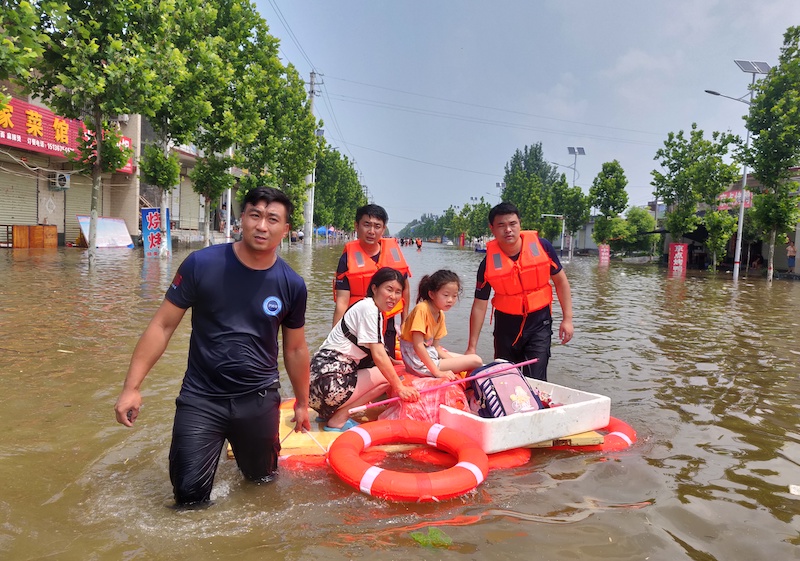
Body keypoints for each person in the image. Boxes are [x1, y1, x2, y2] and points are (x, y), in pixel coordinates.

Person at [114, 187, 311, 507]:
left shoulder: (292, 284)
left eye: (272, 219)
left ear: (285, 230)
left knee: (262, 485)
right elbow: (162, 325)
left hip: (258, 400)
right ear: (242, 219)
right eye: (255, 215)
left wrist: (302, 402)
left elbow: (296, 350)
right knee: (188, 496)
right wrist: (131, 387)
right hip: (201, 399)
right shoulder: (201, 264)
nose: (262, 226)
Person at [466, 202, 573, 381]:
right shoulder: (487, 264)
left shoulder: (543, 247)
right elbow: (479, 305)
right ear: (492, 228)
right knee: (506, 379)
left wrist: (567, 319)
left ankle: (537, 407)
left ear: (519, 224)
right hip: (506, 326)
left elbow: (561, 282)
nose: (508, 230)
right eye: (501, 225)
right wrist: (471, 347)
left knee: (536, 379)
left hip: (539, 322)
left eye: (512, 224)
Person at [311, 267, 420, 430]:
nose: (393, 296)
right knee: (387, 378)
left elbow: (379, 353)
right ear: (374, 288)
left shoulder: (363, 306)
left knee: (387, 369)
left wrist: (399, 362)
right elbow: (378, 355)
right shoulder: (370, 310)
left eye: (398, 292)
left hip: (314, 388)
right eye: (389, 289)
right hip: (329, 385)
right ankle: (339, 418)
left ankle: (326, 414)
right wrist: (400, 387)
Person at [333, 204, 411, 357]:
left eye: (377, 226)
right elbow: (342, 301)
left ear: (383, 229)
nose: (371, 231)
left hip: (386, 321)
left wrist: (404, 321)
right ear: (357, 226)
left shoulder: (393, 254)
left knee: (386, 365)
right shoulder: (347, 258)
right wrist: (336, 334)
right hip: (358, 323)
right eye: (366, 225)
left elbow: (405, 289)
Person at [399, 269, 483, 380]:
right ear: (432, 294)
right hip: (416, 361)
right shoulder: (422, 309)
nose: (450, 300)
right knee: (476, 360)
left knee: (472, 359)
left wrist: (454, 363)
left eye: (454, 296)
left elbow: (436, 347)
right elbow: (418, 345)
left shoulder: (440, 314)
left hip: (429, 353)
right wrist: (437, 372)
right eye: (446, 295)